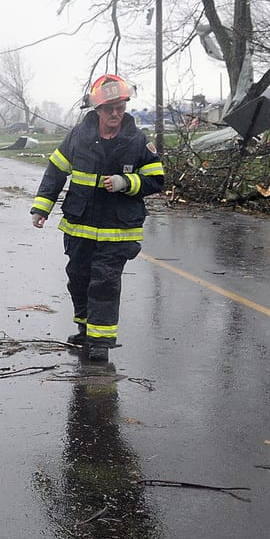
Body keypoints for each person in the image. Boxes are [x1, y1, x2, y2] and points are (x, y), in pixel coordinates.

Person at [30, 74, 165, 362]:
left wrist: (126, 183)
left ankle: (101, 342)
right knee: (77, 279)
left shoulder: (138, 141)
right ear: (97, 110)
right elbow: (55, 172)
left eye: (120, 107)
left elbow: (156, 179)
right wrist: (42, 208)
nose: (115, 113)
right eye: (109, 109)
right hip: (79, 226)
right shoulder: (77, 137)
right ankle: (85, 329)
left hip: (118, 230)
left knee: (104, 282)